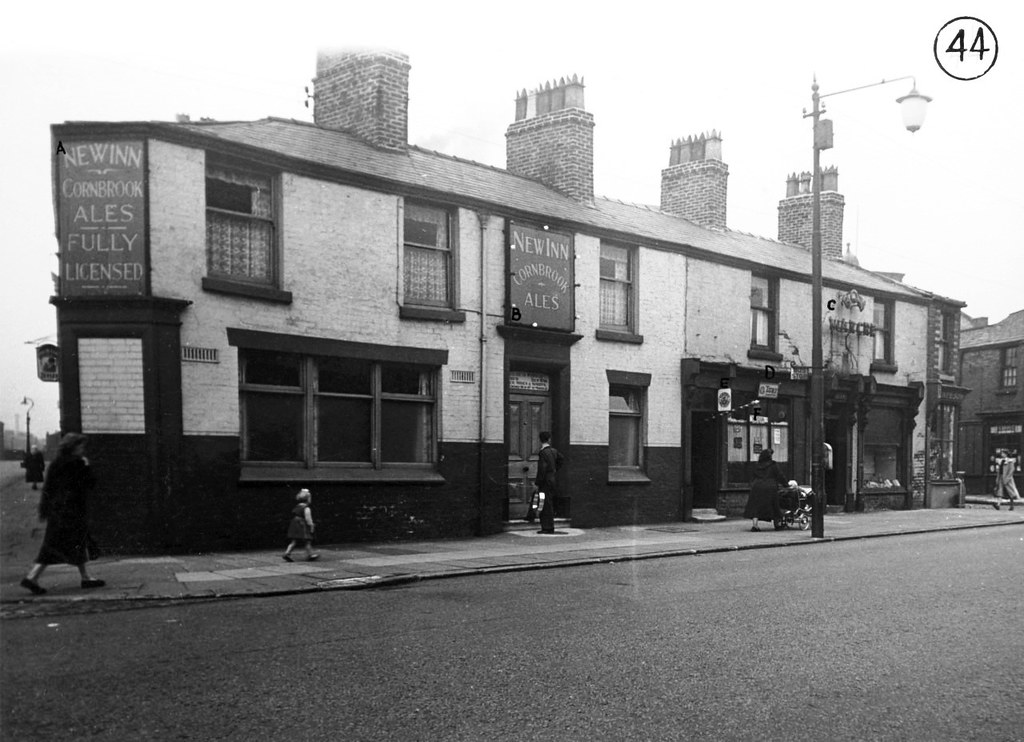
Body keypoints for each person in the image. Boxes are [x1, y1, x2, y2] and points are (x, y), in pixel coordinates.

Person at [20, 433, 105, 595]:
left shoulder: (57, 463)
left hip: (57, 510)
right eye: (80, 446)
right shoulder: (78, 463)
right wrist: (87, 466)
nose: (82, 449)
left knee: (74, 542)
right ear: (73, 447)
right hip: (72, 510)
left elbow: (48, 488)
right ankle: (32, 577)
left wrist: (44, 510)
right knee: (53, 546)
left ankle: (86, 577)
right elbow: (89, 483)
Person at [743, 449, 789, 532]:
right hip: (770, 487)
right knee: (774, 505)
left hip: (757, 487)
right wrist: (786, 485)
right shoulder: (773, 465)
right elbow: (780, 475)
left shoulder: (756, 465)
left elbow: (752, 476)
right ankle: (777, 525)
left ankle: (755, 526)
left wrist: (752, 484)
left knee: (755, 507)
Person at [534, 431, 565, 534]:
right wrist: (554, 469)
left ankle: (547, 528)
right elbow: (561, 460)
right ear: (549, 439)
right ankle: (549, 527)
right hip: (552, 480)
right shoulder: (554, 451)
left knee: (544, 504)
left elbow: (542, 469)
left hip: (545, 482)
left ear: (540, 440)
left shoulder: (543, 453)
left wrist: (537, 482)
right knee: (548, 503)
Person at [283, 489, 319, 562]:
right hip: (302, 525)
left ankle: (287, 553)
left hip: (295, 523)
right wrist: (311, 525)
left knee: (294, 541)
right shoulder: (306, 508)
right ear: (308, 499)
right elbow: (308, 519)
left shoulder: (298, 506)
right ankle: (311, 555)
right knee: (307, 541)